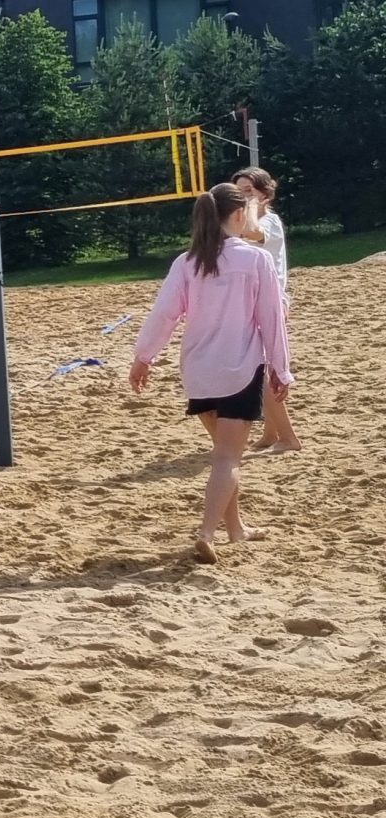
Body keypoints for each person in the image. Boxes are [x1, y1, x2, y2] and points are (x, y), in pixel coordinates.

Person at [131, 183, 293, 564]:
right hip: (239, 370)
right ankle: (206, 533)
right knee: (227, 459)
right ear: (238, 214)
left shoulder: (187, 262)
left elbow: (164, 314)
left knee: (223, 453)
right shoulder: (256, 260)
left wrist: (143, 357)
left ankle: (236, 529)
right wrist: (281, 369)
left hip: (199, 372)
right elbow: (271, 321)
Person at [232, 166, 300, 453]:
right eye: (238, 192)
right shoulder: (241, 222)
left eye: (248, 191)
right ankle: (271, 434)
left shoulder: (268, 221)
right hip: (253, 302)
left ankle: (288, 438)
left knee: (262, 373)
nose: (243, 197)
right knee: (261, 369)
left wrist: (249, 207)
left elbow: (252, 232)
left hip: (270, 302)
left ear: (265, 195)